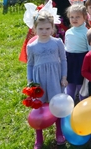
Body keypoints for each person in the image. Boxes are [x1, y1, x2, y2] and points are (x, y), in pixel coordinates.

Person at [26, 11, 67, 148]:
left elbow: (64, 60)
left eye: (48, 28)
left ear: (53, 28)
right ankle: (39, 136)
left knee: (57, 105)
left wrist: (64, 77)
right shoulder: (31, 46)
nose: (44, 31)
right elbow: (30, 64)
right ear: (34, 29)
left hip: (55, 78)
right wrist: (30, 81)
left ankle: (59, 132)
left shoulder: (57, 43)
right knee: (39, 105)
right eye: (41, 29)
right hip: (39, 80)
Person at [64, 3, 91, 101]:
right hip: (70, 61)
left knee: (81, 87)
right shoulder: (68, 32)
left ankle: (83, 108)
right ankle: (68, 108)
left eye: (77, 17)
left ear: (85, 17)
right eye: (72, 17)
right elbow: (66, 47)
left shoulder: (87, 32)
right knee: (70, 85)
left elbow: (90, 50)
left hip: (82, 61)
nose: (74, 19)